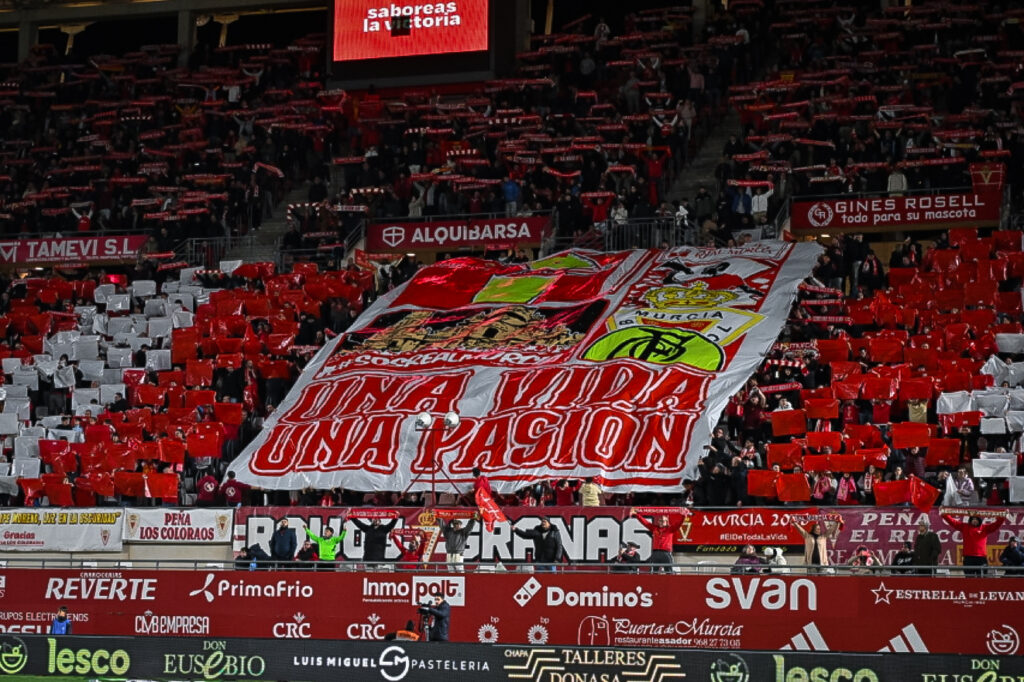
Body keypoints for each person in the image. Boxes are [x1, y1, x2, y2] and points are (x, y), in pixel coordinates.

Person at [941, 511, 1006, 576]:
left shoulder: (985, 528)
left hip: (981, 558)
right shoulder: (965, 527)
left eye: (976, 519)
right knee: (969, 578)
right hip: (968, 558)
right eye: (973, 519)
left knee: (982, 578)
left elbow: (996, 525)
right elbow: (953, 522)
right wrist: (944, 515)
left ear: (979, 520)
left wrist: (1003, 517)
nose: (974, 521)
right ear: (970, 520)